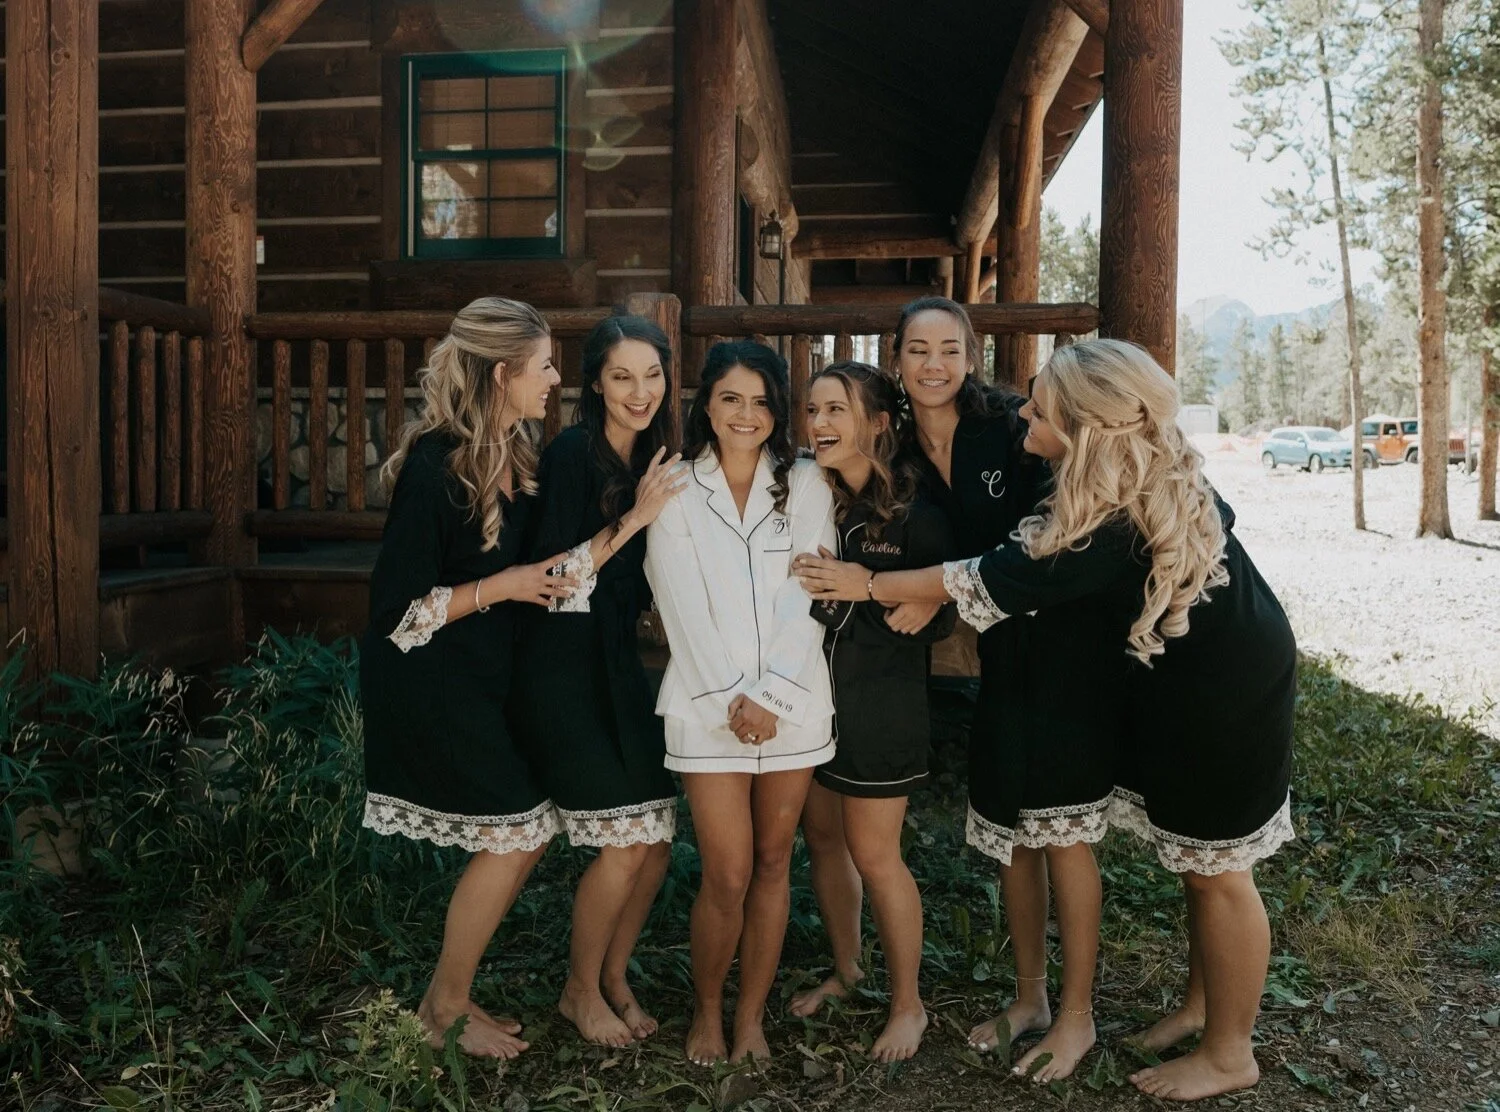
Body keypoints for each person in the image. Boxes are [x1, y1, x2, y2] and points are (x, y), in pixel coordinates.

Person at [798, 338, 1296, 1102]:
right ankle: (1203, 1007)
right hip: (1177, 678)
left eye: (1040, 409)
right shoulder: (1126, 474)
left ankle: (1231, 1052)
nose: (1023, 413)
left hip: (1222, 689)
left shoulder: (1108, 518)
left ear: (1086, 426)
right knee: (1196, 868)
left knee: (1218, 873)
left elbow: (990, 578)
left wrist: (867, 582)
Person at [860, 297, 1105, 1082]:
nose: (933, 364)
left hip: (1061, 641)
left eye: (948, 349)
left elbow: (1062, 528)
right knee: (1009, 823)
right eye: (917, 349)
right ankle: (1030, 997)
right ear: (896, 358)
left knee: (1062, 826)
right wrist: (934, 605)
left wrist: (929, 594)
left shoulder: (1010, 426)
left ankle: (1078, 1015)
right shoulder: (894, 444)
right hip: (998, 649)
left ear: (970, 356)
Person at [360, 296, 575, 1060]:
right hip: (430, 682)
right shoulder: (434, 466)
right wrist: (502, 585)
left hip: (483, 681)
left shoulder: (516, 453)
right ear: (502, 374)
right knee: (517, 834)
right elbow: (398, 614)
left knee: (531, 831)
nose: (555, 379)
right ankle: (443, 1008)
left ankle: (447, 996)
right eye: (544, 365)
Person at [643, 340, 836, 1065]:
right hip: (706, 707)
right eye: (731, 398)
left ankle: (751, 1016)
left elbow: (811, 592)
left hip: (794, 704)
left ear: (777, 411)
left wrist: (772, 696)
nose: (745, 414)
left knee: (773, 862)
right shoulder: (676, 486)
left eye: (760, 401)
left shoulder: (807, 483)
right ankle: (707, 1011)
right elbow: (678, 601)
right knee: (725, 872)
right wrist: (733, 700)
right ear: (707, 405)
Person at [509, 313, 687, 1048]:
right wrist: (638, 518)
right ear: (595, 384)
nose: (640, 392)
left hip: (616, 660)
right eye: (622, 377)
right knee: (626, 840)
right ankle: (578, 991)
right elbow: (552, 578)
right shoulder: (572, 454)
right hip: (559, 661)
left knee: (658, 834)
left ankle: (613, 975)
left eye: (652, 375)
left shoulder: (656, 454)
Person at [790, 361, 955, 1063]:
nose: (819, 423)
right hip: (810, 700)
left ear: (881, 422)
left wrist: (911, 598)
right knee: (824, 841)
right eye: (813, 410)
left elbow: (946, 605)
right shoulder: (813, 495)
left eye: (837, 410)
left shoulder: (917, 509)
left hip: (881, 706)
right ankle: (849, 969)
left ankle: (909, 1004)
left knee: (877, 856)